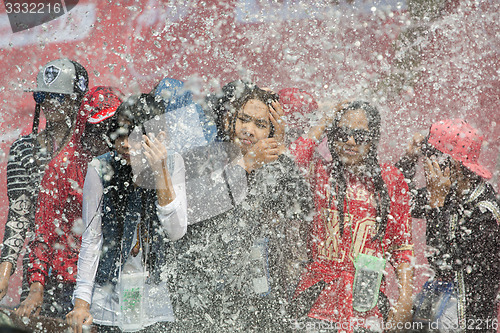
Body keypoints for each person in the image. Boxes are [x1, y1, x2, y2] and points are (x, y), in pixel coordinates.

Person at [170, 82, 313, 332]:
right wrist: (244, 164)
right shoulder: (202, 157)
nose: (248, 130)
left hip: (248, 298)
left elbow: (301, 203)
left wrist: (279, 149)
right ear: (229, 121)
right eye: (244, 120)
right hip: (196, 296)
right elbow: (195, 209)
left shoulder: (270, 166)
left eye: (260, 125)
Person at [66, 94, 187, 332]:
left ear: (155, 137)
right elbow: (91, 239)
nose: (124, 144)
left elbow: (176, 231)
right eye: (119, 134)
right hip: (106, 307)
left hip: (154, 307)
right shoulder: (100, 168)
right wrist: (82, 304)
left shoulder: (173, 164)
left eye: (133, 136)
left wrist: (160, 170)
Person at [291, 101, 414, 333]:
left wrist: (406, 297)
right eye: (342, 133)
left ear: (373, 139)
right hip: (317, 305)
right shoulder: (319, 173)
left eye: (359, 136)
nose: (349, 142)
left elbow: (401, 246)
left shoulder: (392, 180)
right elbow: (291, 160)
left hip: (367, 307)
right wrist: (324, 123)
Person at [14, 86, 122, 319]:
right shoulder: (62, 168)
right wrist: (36, 289)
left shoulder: (131, 164)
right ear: (83, 128)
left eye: (112, 129)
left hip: (117, 283)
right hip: (69, 288)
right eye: (95, 130)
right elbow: (42, 233)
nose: (104, 138)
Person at [0, 58, 89, 305]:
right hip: (40, 271)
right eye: (42, 95)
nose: (49, 103)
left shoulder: (90, 148)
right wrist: (4, 271)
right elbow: (19, 215)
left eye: (58, 96)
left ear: (76, 99)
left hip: (87, 273)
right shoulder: (24, 149)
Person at [402, 119, 500, 332]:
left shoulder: (484, 213)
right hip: (437, 300)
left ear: (451, 164)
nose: (425, 165)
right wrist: (408, 160)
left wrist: (436, 205)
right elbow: (398, 202)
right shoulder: (448, 192)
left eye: (428, 158)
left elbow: (444, 261)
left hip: (466, 319)